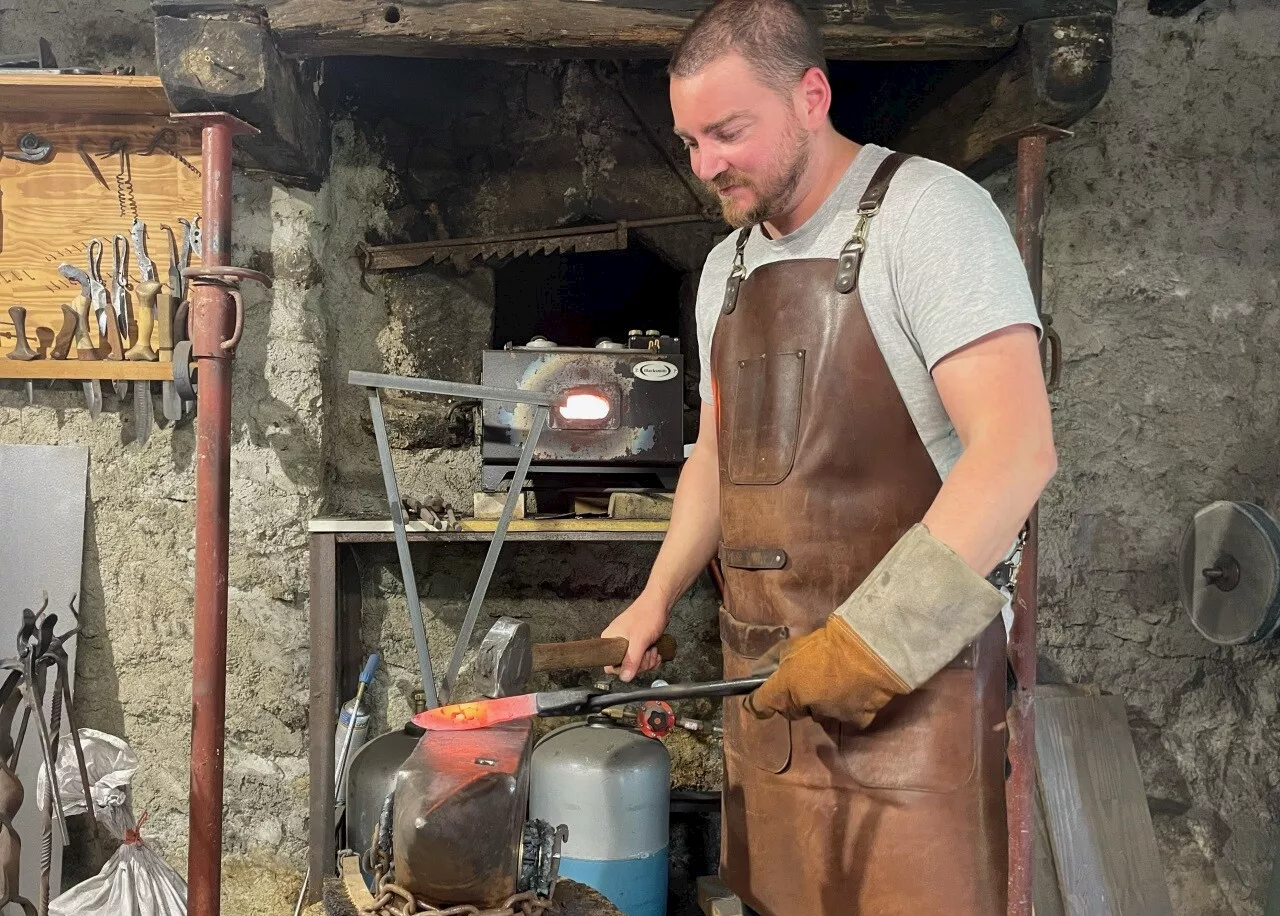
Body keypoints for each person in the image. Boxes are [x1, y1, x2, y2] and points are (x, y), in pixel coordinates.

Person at [599, 1, 1057, 913]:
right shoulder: (724, 270)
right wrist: (653, 599)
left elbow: (1016, 453)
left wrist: (872, 645)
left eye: (728, 132)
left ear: (812, 95)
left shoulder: (930, 217)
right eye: (691, 141)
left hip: (915, 704)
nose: (705, 165)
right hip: (773, 698)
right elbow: (717, 459)